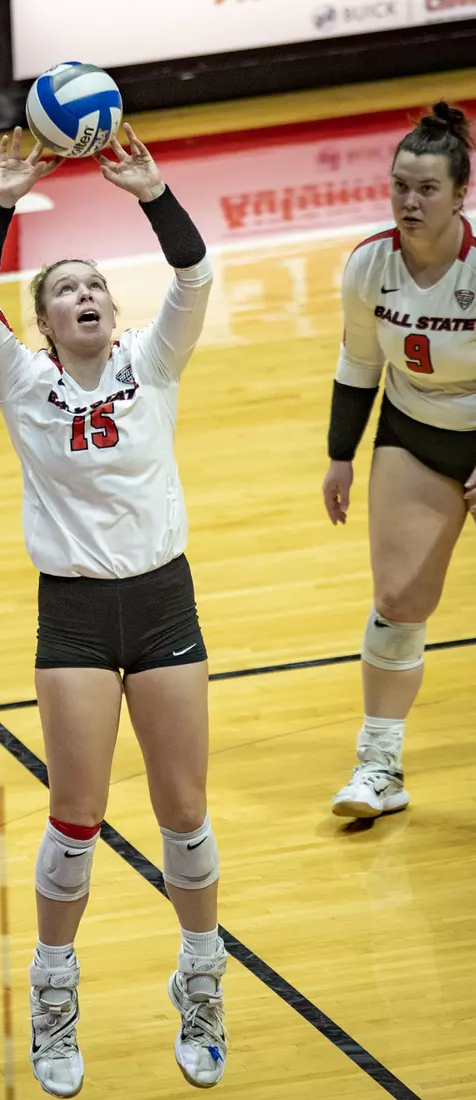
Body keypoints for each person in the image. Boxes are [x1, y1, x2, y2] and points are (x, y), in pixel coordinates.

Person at [0, 124, 227, 1095]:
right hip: (72, 612)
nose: (85, 295)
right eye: (66, 287)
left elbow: (194, 277)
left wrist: (152, 194)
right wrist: (2, 195)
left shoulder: (150, 366)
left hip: (161, 600)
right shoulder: (21, 380)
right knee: (76, 813)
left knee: (183, 813)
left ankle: (201, 980)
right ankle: (53, 992)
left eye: (96, 285)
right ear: (44, 318)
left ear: (114, 310)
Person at [322, 101, 476, 820]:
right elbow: (357, 364)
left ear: (459, 194)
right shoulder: (368, 266)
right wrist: (339, 456)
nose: (409, 203)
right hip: (415, 428)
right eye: (399, 188)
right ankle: (378, 767)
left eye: (426, 190)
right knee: (397, 603)